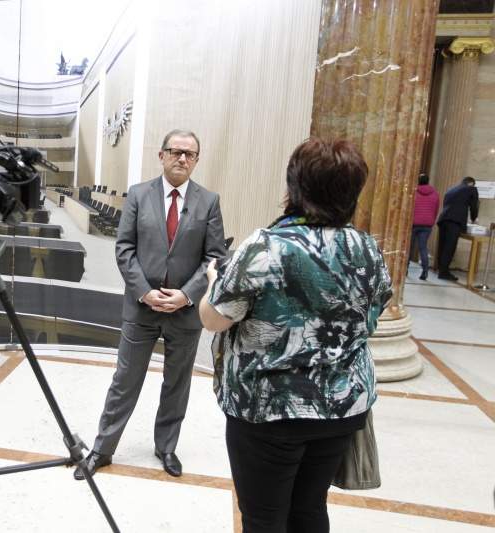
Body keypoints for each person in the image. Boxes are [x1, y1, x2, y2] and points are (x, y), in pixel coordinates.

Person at [199, 138, 391, 532]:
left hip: (269, 410)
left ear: (294, 188)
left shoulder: (266, 247)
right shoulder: (367, 248)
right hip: (340, 408)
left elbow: (214, 319)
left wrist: (213, 280)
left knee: (263, 517)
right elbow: (371, 316)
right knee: (309, 509)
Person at [74, 129, 225, 480]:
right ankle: (103, 448)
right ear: (161, 155)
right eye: (175, 152)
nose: (182, 159)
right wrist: (145, 291)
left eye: (189, 154)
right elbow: (124, 247)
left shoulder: (209, 201)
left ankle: (166, 447)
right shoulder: (140, 195)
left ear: (197, 160)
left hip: (185, 312)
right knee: (125, 380)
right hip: (141, 308)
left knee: (177, 382)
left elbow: (214, 257)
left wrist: (186, 295)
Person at [436, 176, 479, 281]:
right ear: (472, 183)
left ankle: (440, 267)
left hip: (444, 219)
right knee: (450, 246)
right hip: (455, 221)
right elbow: (474, 206)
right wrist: (474, 219)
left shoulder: (451, 189)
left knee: (442, 245)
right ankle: (444, 272)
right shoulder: (472, 189)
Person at [409, 173, 439, 280]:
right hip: (427, 224)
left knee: (409, 247)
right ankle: (425, 270)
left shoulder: (414, 193)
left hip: (413, 223)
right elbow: (436, 210)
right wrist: (431, 220)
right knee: (423, 247)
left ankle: (405, 270)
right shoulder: (435, 193)